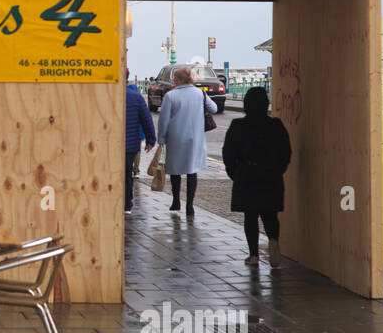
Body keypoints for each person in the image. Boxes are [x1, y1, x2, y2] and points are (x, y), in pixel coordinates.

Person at [222, 86, 292, 267]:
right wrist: (278, 170)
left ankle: (253, 255)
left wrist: (236, 174)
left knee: (250, 216)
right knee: (270, 214)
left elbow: (228, 154)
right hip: (271, 176)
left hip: (247, 175)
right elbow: (286, 152)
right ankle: (274, 242)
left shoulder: (238, 126)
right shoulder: (276, 125)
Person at [155, 65, 217, 217]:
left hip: (176, 138)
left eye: (175, 78)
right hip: (195, 138)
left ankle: (176, 200)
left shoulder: (171, 96)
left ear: (180, 79)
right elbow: (214, 108)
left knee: (175, 170)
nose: (173, 80)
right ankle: (190, 205)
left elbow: (163, 120)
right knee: (191, 170)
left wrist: (161, 138)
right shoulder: (200, 94)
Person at [125, 70, 156, 213]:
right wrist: (151, 140)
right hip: (129, 144)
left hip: (107, 145)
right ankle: (127, 205)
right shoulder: (136, 97)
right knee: (126, 174)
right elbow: (146, 119)